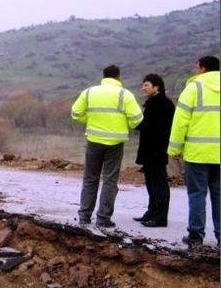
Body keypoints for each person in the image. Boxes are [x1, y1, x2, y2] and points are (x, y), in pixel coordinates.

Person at [71, 65, 143, 228]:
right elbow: (137, 119)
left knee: (90, 178)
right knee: (110, 180)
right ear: (118, 77)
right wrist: (126, 124)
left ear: (103, 77)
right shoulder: (125, 94)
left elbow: (76, 113)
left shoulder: (89, 92)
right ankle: (103, 218)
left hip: (94, 141)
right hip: (115, 144)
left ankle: (84, 216)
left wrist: (89, 121)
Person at [168, 56, 220, 248]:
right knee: (219, 194)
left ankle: (196, 236)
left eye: (197, 67)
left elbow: (180, 121)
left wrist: (174, 148)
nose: (195, 70)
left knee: (197, 194)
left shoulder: (193, 88)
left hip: (197, 153)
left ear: (203, 68)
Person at [133, 74, 175, 227]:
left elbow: (156, 127)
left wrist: (136, 124)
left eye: (146, 85)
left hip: (157, 150)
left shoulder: (163, 104)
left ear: (156, 87)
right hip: (149, 150)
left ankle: (160, 217)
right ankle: (151, 212)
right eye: (143, 85)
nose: (143, 88)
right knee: (150, 183)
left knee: (159, 183)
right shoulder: (152, 103)